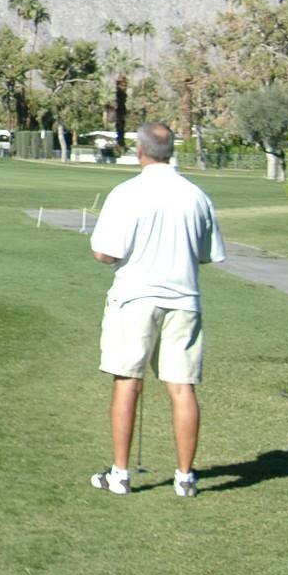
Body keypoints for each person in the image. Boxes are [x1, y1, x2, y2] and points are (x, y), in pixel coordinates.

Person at [87, 121, 224, 497]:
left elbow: (104, 252)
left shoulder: (126, 193)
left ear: (140, 152)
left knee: (128, 381)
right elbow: (209, 255)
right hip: (184, 299)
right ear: (172, 151)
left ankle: (120, 474)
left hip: (135, 298)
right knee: (182, 387)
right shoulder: (196, 196)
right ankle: (184, 478)